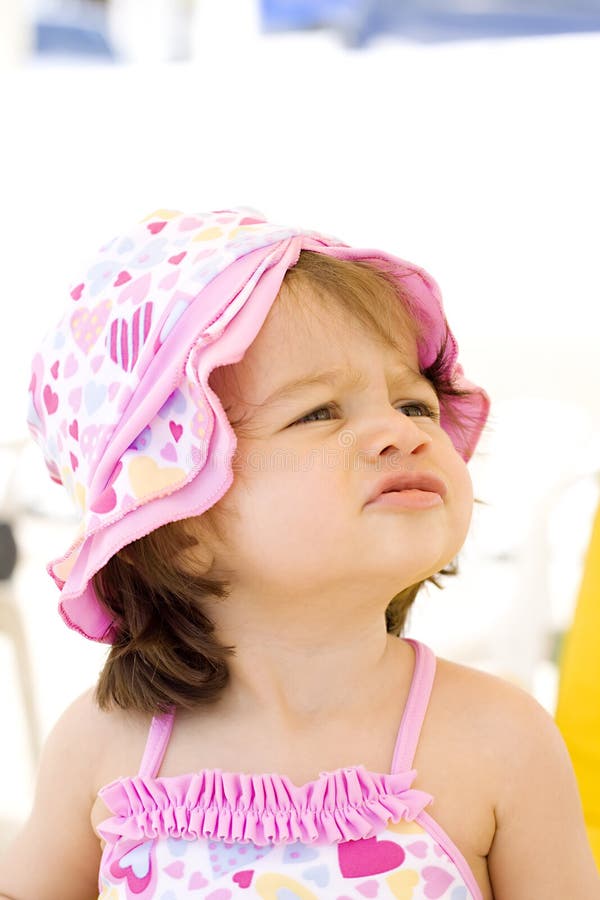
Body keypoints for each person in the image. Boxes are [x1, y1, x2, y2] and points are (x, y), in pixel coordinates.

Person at [1, 206, 598, 899]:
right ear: (178, 524)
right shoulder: (107, 745)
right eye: (319, 412)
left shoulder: (499, 738)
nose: (399, 433)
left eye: (414, 405)